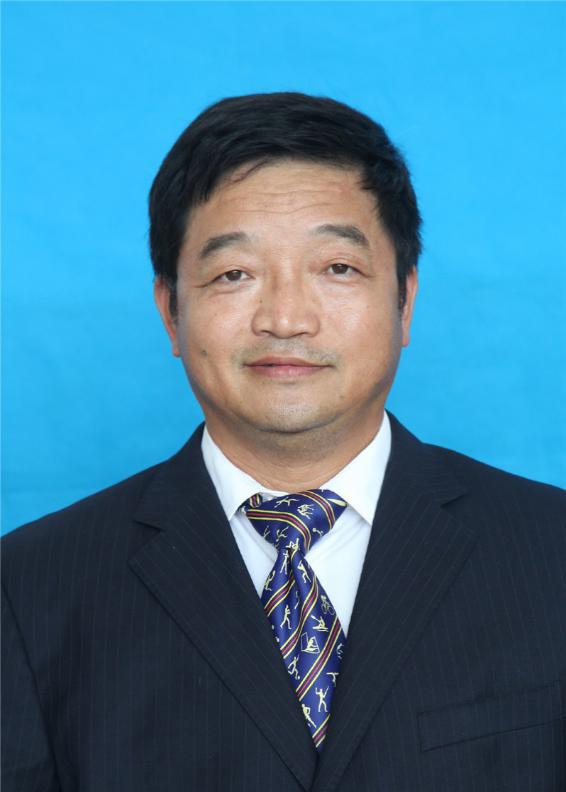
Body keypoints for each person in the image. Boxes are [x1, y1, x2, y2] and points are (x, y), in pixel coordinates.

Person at [2, 92, 564, 792]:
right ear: (171, 311)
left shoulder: (552, 550)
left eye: (337, 268)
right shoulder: (25, 590)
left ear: (405, 300)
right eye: (234, 274)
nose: (287, 318)